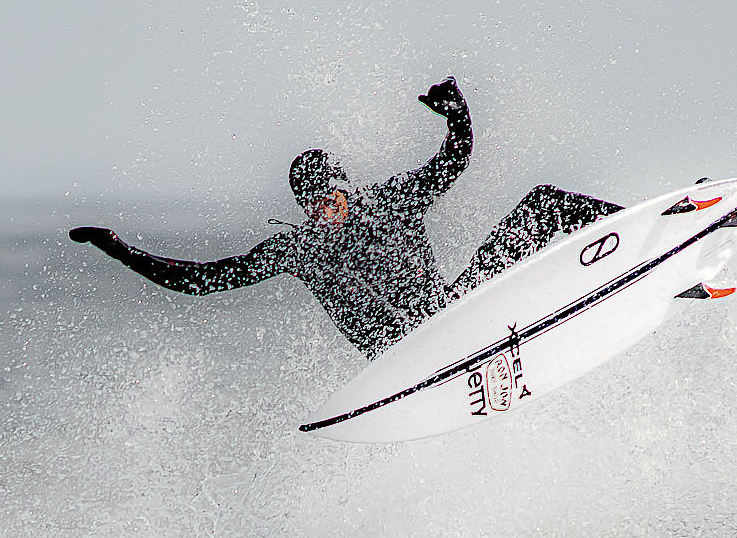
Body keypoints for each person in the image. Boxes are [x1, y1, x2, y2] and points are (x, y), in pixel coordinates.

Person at [69, 77, 624, 359]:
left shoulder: (391, 201)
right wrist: (118, 249)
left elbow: (453, 160)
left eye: (327, 198)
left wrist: (458, 115)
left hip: (455, 315)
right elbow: (201, 281)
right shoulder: (299, 248)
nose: (320, 211)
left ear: (345, 190)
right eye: (309, 205)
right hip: (399, 356)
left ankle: (663, 240)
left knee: (546, 205)